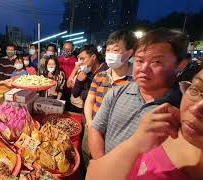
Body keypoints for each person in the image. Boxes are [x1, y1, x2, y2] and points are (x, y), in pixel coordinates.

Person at [88, 28, 188, 162]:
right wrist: (103, 166)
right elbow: (96, 129)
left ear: (180, 65)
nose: (143, 68)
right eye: (139, 61)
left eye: (156, 62)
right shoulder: (117, 92)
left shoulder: (184, 109)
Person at [86, 67, 203, 180]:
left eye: (157, 61)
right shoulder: (169, 124)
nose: (195, 108)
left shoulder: (170, 109)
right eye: (196, 89)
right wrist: (136, 143)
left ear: (178, 65)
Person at [82, 30, 136, 167]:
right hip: (92, 128)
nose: (110, 54)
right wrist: (89, 122)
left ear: (129, 53)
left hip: (116, 138)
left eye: (116, 50)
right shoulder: (100, 76)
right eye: (108, 50)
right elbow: (90, 99)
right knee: (88, 160)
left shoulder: (135, 81)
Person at [67, 45, 108, 113]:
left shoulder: (105, 71)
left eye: (83, 59)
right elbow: (75, 93)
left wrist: (84, 93)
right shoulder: (86, 70)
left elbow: (99, 96)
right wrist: (79, 81)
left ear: (93, 57)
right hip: (85, 113)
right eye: (79, 59)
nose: (80, 62)